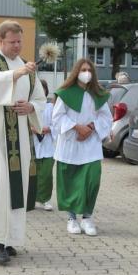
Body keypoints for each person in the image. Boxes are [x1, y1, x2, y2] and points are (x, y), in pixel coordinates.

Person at [0, 20, 47, 265]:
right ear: (0, 41)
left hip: (20, 137)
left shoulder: (26, 66)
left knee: (16, 187)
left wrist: (31, 106)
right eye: (12, 42)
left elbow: (40, 96)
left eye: (20, 41)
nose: (17, 46)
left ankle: (10, 239)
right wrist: (16, 74)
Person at [52, 58, 112, 236]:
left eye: (89, 70)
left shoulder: (98, 94)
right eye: (83, 69)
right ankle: (71, 219)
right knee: (70, 182)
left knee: (92, 181)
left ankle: (87, 217)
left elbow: (106, 117)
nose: (87, 73)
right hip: (71, 144)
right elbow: (57, 118)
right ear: (76, 72)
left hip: (91, 146)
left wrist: (91, 127)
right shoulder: (65, 93)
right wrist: (77, 127)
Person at [32, 79, 55, 211]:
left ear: (46, 91)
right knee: (33, 173)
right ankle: (33, 199)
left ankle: (45, 199)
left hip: (47, 145)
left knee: (46, 174)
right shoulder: (31, 107)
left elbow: (57, 123)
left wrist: (49, 129)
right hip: (33, 144)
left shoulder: (51, 107)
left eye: (43, 88)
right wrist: (32, 129)